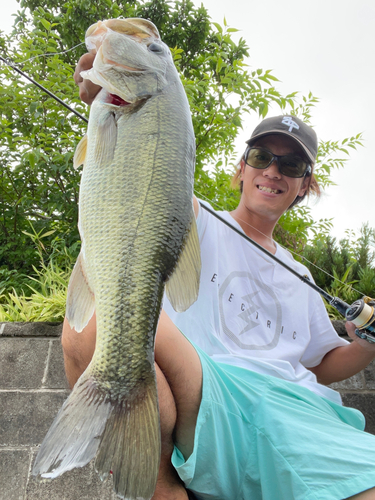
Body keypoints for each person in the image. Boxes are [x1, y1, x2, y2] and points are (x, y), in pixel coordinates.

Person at [61, 53, 375, 500]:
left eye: (291, 166)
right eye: (262, 156)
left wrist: (365, 343)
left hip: (299, 411)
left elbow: (320, 366)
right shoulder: (194, 217)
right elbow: (141, 178)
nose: (272, 171)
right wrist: (111, 100)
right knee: (91, 323)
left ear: (306, 184)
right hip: (211, 392)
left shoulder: (301, 273)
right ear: (241, 168)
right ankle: (162, 488)